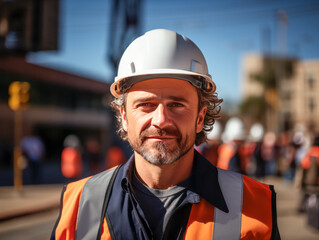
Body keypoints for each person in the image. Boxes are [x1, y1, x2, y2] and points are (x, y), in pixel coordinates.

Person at [51, 29, 280, 240]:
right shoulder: (80, 202)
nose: (161, 120)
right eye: (146, 104)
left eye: (177, 105)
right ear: (123, 116)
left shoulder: (254, 202)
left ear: (200, 118)